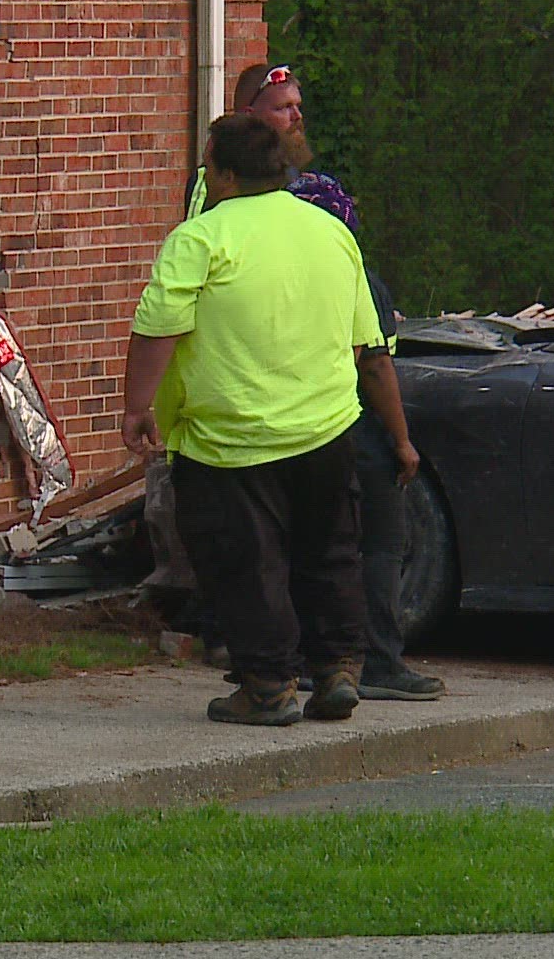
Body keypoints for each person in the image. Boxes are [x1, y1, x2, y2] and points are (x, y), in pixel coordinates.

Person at [124, 114, 406, 725]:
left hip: (230, 440)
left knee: (247, 564)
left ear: (224, 172)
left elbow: (158, 328)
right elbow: (363, 341)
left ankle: (268, 686)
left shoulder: (199, 239)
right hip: (326, 430)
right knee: (329, 553)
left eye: (206, 165)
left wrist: (137, 407)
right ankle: (337, 671)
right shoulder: (331, 232)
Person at [188, 62, 445, 701]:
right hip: (303, 400)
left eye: (297, 105)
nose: (295, 116)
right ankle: (333, 665)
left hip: (316, 391)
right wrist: (398, 432)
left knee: (315, 542)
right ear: (250, 120)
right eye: (280, 108)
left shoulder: (319, 192)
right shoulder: (234, 202)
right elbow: (367, 346)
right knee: (325, 540)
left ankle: (325, 666)